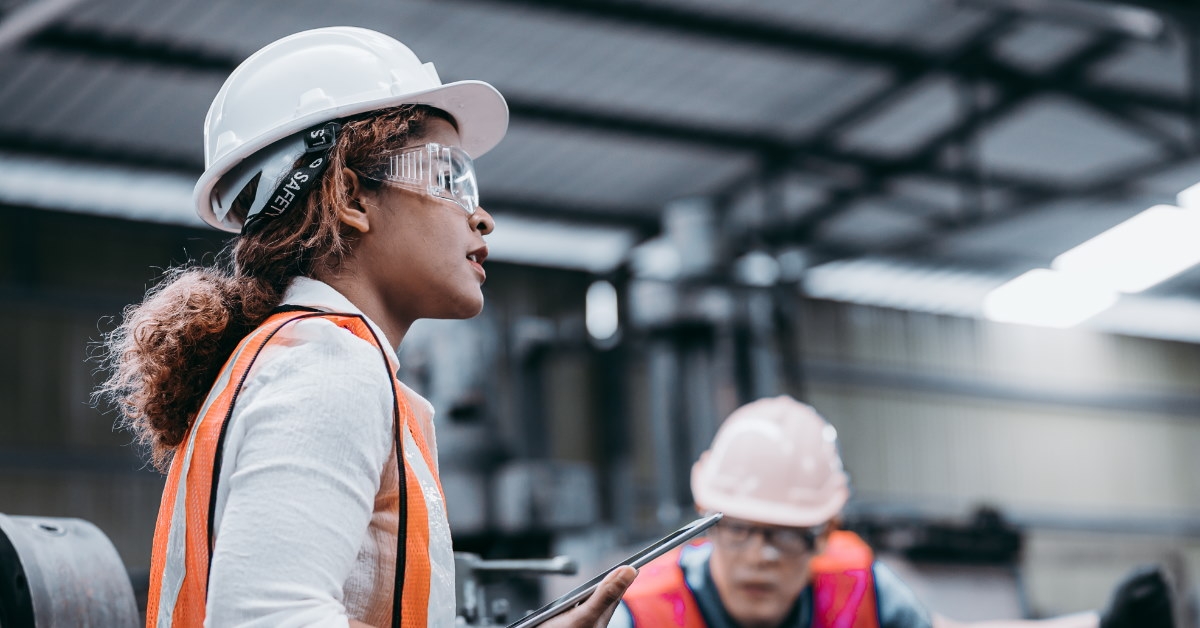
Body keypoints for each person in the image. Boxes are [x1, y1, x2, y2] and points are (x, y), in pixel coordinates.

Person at [96, 27, 634, 628]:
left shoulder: (302, 358)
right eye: (448, 177)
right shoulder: (327, 367)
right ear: (350, 195)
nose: (480, 217)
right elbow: (270, 619)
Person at [607, 396, 1174, 628]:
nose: (760, 557)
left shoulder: (864, 595)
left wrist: (1098, 625)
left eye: (786, 535)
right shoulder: (641, 615)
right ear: (706, 520)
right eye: (739, 530)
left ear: (826, 532)